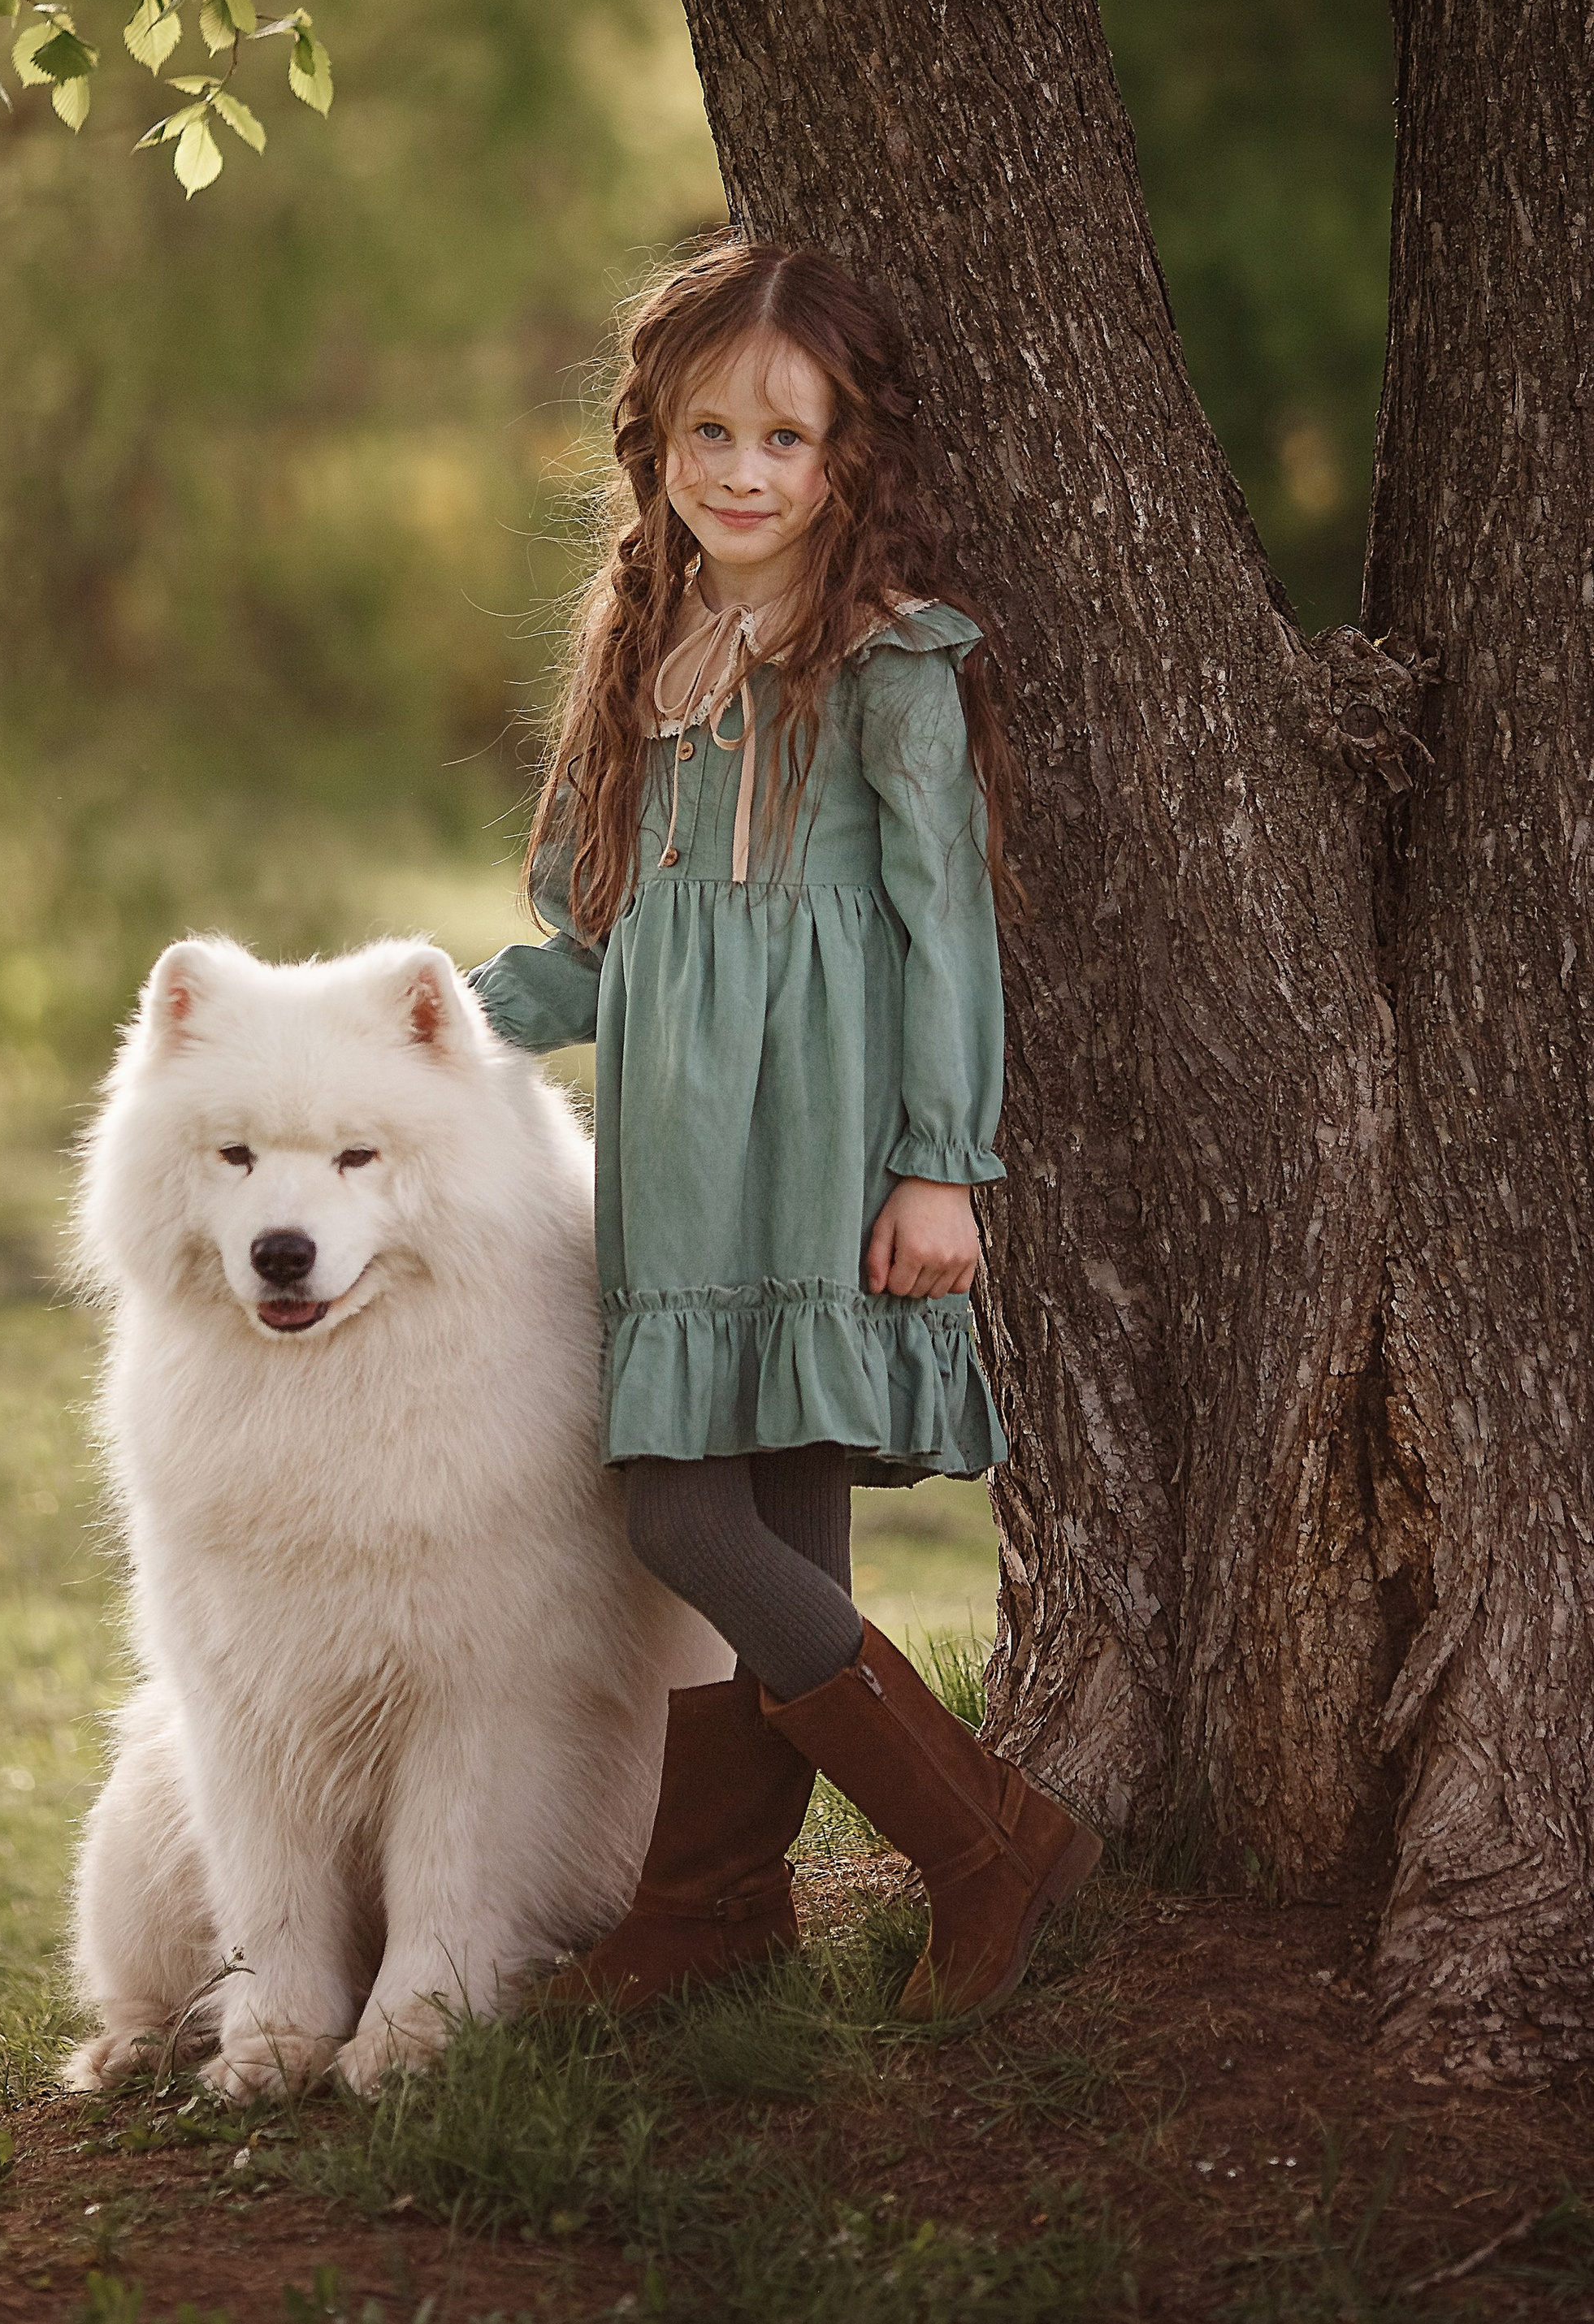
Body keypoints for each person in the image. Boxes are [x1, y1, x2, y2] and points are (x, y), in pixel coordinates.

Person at [466, 234, 1099, 2024]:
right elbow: (600, 953)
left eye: (783, 440)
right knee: (771, 1531)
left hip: (820, 1147)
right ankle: (716, 1914)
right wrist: (423, 1022)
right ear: (651, 446)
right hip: (679, 1157)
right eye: (705, 436)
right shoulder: (643, 654)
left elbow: (944, 931)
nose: (740, 473)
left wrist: (938, 1162)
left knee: (678, 1510)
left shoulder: (886, 664)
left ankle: (983, 1841)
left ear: (845, 461)